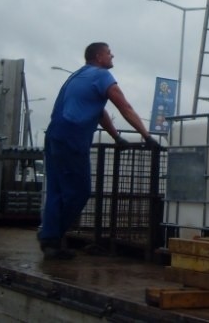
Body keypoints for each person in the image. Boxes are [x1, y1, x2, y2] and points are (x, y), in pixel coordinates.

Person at [39, 42, 160, 260]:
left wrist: (116, 137)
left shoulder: (78, 75)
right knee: (80, 192)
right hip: (72, 137)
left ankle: (50, 241)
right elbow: (125, 107)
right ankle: (50, 236)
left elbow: (99, 112)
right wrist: (147, 136)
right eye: (108, 52)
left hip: (54, 135)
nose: (112, 55)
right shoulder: (101, 76)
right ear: (98, 56)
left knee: (57, 191)